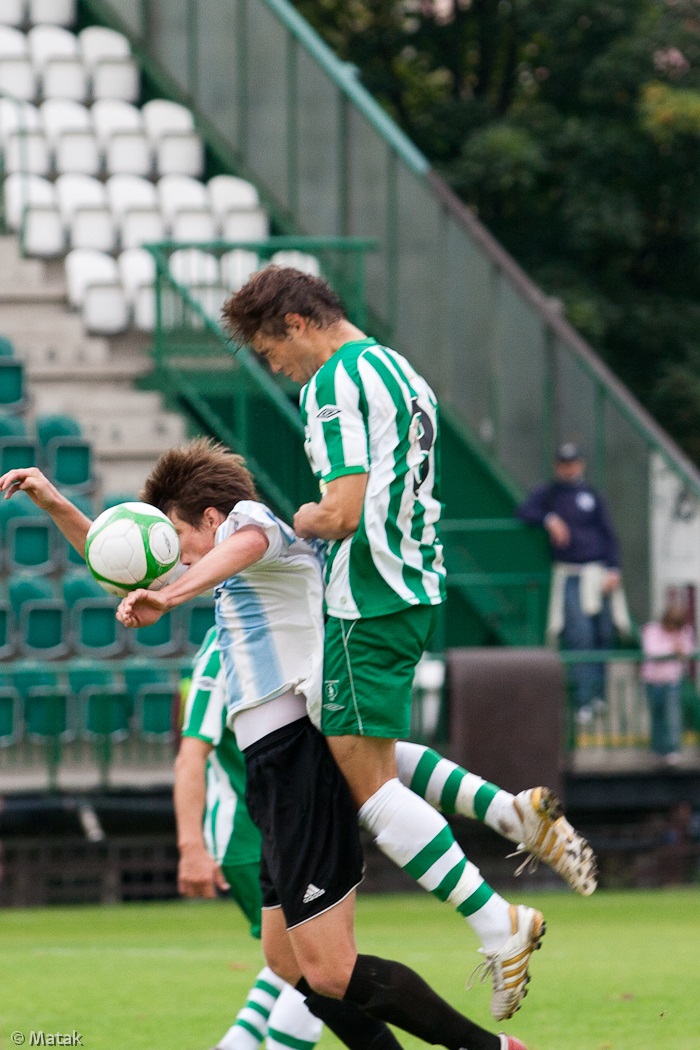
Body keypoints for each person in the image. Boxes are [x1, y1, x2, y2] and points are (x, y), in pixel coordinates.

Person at [0, 458, 527, 1050]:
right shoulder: (221, 568)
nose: (176, 556)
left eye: (177, 537)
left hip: (300, 753)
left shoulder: (253, 523)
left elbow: (244, 542)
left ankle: (489, 1048)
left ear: (208, 516)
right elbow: (121, 561)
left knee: (330, 968)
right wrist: (54, 504)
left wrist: (171, 595)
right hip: (271, 770)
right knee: (290, 964)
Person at [221, 267, 596, 1021]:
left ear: (295, 325)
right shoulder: (401, 370)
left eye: (268, 351)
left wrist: (303, 513)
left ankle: (501, 923)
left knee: (369, 788)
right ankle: (511, 816)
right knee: (356, 753)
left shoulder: (331, 383)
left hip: (367, 599)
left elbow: (345, 509)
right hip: (417, 587)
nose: (276, 369)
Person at [177, 626, 323, 1050]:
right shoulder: (224, 643)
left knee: (292, 960)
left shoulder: (272, 632)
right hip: (250, 836)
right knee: (319, 968)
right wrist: (191, 848)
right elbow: (190, 757)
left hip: (268, 831)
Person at [516, 441, 632, 728]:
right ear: (558, 466)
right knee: (579, 637)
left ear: (581, 464)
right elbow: (524, 512)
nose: (569, 468)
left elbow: (608, 534)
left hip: (600, 576)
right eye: (564, 463)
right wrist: (549, 518)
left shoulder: (592, 494)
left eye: (573, 463)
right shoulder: (550, 494)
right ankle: (582, 700)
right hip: (571, 576)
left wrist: (613, 568)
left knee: (603, 635)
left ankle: (598, 696)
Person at [640, 600, 694, 764]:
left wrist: (680, 649)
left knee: (672, 715)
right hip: (652, 681)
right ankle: (658, 749)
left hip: (671, 680)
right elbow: (651, 651)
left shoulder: (684, 631)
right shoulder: (651, 630)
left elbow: (688, 650)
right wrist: (673, 649)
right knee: (657, 715)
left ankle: (673, 749)